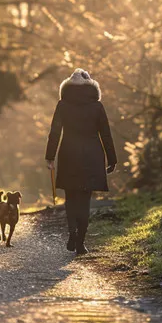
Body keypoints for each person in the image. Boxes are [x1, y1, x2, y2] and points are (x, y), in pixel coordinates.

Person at [45, 68, 117, 255]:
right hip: (92, 155)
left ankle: (72, 233)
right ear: (91, 87)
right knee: (84, 200)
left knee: (71, 198)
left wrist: (50, 156)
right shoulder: (97, 106)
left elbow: (55, 131)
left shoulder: (62, 105)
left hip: (69, 154)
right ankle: (81, 243)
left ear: (67, 87)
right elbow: (106, 134)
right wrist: (112, 159)